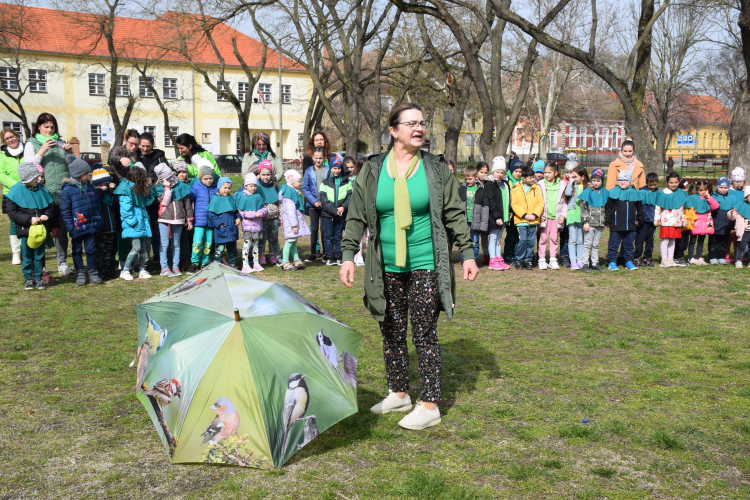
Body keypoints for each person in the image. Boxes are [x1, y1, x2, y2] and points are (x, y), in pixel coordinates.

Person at [340, 103, 477, 431]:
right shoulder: (372, 170)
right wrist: (347, 254)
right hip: (385, 263)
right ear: (393, 130)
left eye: (422, 123)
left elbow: (454, 212)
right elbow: (356, 213)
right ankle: (399, 393)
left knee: (424, 332)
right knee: (391, 329)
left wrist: (469, 252)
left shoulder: (435, 168)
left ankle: (429, 404)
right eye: (411, 123)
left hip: (426, 262)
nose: (419, 129)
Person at [24, 113, 74, 276]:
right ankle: (41, 265)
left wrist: (70, 152)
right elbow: (27, 167)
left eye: (52, 127)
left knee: (61, 230)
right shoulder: (32, 144)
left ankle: (62, 262)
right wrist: (43, 149)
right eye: (46, 126)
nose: (49, 130)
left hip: (62, 192)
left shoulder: (61, 142)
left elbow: (73, 166)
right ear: (38, 127)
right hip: (41, 194)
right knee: (42, 230)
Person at [5, 162, 55, 289]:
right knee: (26, 255)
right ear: (27, 178)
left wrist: (47, 215)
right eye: (35, 177)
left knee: (39, 255)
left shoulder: (41, 189)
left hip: (40, 230)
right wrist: (28, 219)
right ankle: (28, 278)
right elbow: (12, 212)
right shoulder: (15, 190)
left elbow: (50, 206)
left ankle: (38, 278)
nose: (39, 179)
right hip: (25, 230)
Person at [60, 155, 103, 286]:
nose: (88, 176)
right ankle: (80, 272)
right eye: (86, 174)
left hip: (90, 226)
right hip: (77, 227)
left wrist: (98, 220)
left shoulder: (90, 187)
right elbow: (65, 210)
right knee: (77, 250)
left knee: (91, 249)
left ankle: (92, 271)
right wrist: (70, 227)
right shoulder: (67, 190)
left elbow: (96, 205)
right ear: (78, 174)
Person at [115, 164, 154, 280]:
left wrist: (150, 187)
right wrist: (133, 222)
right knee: (136, 247)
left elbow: (146, 202)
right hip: (134, 223)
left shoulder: (137, 188)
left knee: (143, 248)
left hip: (142, 219)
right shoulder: (125, 189)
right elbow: (125, 209)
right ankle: (125, 270)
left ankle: (142, 270)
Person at [153, 164, 193, 277]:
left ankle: (175, 266)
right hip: (164, 219)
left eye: (171, 175)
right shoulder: (159, 188)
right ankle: (164, 268)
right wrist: (167, 189)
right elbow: (164, 202)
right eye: (168, 177)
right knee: (164, 244)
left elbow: (187, 205)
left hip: (178, 219)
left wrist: (189, 220)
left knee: (176, 244)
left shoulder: (181, 186)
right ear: (162, 179)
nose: (171, 178)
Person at [139, 132, 170, 264]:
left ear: (152, 144)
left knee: (157, 226)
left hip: (156, 196)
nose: (145, 149)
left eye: (148, 146)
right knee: (143, 226)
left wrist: (154, 180)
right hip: (141, 196)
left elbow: (167, 173)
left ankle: (158, 253)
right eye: (143, 146)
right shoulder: (136, 155)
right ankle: (143, 256)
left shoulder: (159, 156)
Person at [605, 170, 643, 271]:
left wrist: (639, 219)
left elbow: (639, 208)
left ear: (630, 181)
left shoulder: (635, 192)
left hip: (631, 225)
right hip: (616, 224)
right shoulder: (613, 191)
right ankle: (612, 262)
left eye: (625, 180)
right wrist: (608, 221)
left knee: (629, 245)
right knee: (613, 245)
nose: (622, 182)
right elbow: (608, 208)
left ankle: (629, 262)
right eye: (620, 179)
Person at [319, 155, 352, 266]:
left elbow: (349, 197)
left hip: (341, 214)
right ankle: (329, 256)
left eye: (338, 168)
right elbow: (323, 200)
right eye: (334, 168)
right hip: (328, 214)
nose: (336, 170)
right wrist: (333, 210)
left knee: (338, 236)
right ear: (330, 169)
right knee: (328, 236)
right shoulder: (324, 183)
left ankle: (338, 255)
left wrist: (343, 207)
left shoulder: (347, 182)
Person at [187, 162, 219, 274]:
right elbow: (188, 202)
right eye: (205, 178)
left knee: (208, 243)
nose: (209, 181)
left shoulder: (216, 188)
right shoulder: (196, 188)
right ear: (200, 178)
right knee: (197, 242)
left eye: (211, 178)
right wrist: (188, 217)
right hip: (199, 222)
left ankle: (205, 262)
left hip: (211, 222)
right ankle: (194, 263)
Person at [510, 166, 544, 270]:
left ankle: (528, 260)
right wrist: (524, 215)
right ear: (523, 178)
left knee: (531, 241)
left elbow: (540, 203)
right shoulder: (516, 189)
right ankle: (519, 260)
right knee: (523, 240)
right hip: (521, 220)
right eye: (529, 178)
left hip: (533, 220)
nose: (532, 179)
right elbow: (515, 204)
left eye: (532, 177)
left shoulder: (536, 188)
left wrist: (534, 215)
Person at [91, 167, 120, 281]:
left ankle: (108, 269)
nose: (106, 185)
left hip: (112, 226)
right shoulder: (94, 192)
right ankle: (100, 271)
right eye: (103, 183)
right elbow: (93, 202)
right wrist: (100, 191)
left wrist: (113, 191)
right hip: (101, 228)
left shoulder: (110, 194)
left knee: (109, 250)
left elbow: (117, 204)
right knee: (100, 251)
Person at [536, 162, 567, 270]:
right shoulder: (540, 184)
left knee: (554, 239)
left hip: (556, 218)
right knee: (543, 238)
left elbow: (565, 203)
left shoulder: (562, 185)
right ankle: (542, 259)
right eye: (545, 172)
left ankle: (553, 259)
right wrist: (539, 215)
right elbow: (537, 201)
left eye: (549, 172)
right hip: (545, 217)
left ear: (556, 173)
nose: (547, 174)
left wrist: (563, 215)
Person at [0, 128, 24, 265]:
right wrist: (17, 185)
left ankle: (26, 249)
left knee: (29, 220)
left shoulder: (26, 149)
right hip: (11, 193)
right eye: (7, 138)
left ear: (17, 136)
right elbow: (1, 174)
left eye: (12, 136)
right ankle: (16, 252)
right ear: (4, 141)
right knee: (14, 223)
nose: (11, 139)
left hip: (29, 190)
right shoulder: (2, 155)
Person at [302, 146, 330, 261]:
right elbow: (305, 188)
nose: (318, 160)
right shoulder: (309, 171)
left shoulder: (328, 171)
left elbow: (330, 187)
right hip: (313, 206)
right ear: (312, 157)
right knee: (314, 229)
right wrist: (314, 201)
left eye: (320, 158)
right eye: (316, 158)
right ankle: (313, 253)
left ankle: (326, 253)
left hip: (325, 205)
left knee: (324, 230)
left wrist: (325, 201)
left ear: (324, 158)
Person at [654, 172, 688, 267]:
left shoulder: (681, 193)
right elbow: (658, 207)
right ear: (667, 182)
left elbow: (682, 209)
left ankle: (670, 258)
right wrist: (657, 220)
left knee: (673, 241)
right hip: (665, 222)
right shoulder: (662, 193)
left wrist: (683, 220)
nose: (674, 184)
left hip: (676, 222)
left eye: (676, 182)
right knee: (665, 241)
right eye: (671, 182)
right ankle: (664, 259)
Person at [236, 172, 267, 273]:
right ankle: (245, 264)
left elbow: (264, 208)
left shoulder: (258, 196)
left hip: (257, 226)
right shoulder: (242, 196)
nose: (253, 188)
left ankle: (256, 263)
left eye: (255, 186)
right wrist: (254, 214)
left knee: (256, 246)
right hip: (248, 227)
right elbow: (241, 211)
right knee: (247, 246)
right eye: (251, 186)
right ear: (246, 186)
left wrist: (261, 212)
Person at [280, 169, 310, 271]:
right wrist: (294, 225)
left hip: (293, 223)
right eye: (299, 181)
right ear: (292, 181)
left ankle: (296, 259)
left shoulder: (293, 191)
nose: (300, 183)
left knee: (293, 241)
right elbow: (290, 211)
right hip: (291, 223)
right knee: (289, 241)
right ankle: (285, 262)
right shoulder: (289, 195)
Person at [207, 177, 241, 268]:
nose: (227, 190)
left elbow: (235, 212)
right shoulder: (215, 199)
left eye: (229, 188)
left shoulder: (231, 198)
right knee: (219, 251)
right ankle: (217, 266)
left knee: (232, 250)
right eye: (225, 188)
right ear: (219, 187)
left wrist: (238, 218)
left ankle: (232, 265)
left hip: (232, 230)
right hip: (221, 232)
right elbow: (212, 216)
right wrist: (221, 225)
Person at [579, 168, 608, 272]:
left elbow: (606, 208)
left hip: (600, 223)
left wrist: (605, 221)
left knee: (596, 244)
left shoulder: (604, 192)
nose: (596, 183)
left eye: (598, 180)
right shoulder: (587, 191)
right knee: (587, 244)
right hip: (590, 223)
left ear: (602, 181)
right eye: (594, 180)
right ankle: (585, 264)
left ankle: (595, 263)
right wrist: (585, 222)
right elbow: (583, 208)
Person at [685, 180, 719, 265]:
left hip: (705, 223)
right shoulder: (693, 198)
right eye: (700, 190)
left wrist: (709, 197)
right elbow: (688, 207)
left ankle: (699, 257)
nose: (703, 192)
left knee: (701, 242)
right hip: (696, 222)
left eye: (705, 190)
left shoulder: (709, 198)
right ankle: (691, 257)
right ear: (697, 190)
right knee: (692, 241)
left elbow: (715, 206)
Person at [256, 161, 283, 265]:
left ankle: (275, 256)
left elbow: (280, 203)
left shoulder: (275, 186)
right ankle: (261, 256)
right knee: (262, 238)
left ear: (272, 175)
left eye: (268, 174)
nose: (266, 177)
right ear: (259, 174)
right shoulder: (256, 186)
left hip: (274, 219)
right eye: (263, 175)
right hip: (262, 219)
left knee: (274, 238)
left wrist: (281, 218)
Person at [487, 157, 511, 270]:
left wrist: (509, 211)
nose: (500, 174)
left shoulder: (505, 183)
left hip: (504, 216)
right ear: (493, 171)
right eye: (497, 172)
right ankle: (492, 260)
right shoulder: (490, 184)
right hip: (495, 217)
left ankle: (498, 258)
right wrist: (497, 216)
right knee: (493, 238)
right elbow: (492, 201)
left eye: (502, 172)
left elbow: (508, 198)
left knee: (499, 239)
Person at [564, 165, 588, 270]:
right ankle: (573, 261)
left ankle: (580, 260)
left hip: (582, 216)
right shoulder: (572, 186)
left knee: (580, 240)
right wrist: (570, 182)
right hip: (572, 215)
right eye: (572, 176)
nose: (573, 178)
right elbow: (567, 193)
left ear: (583, 177)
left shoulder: (587, 187)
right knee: (572, 240)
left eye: (575, 176)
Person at [634, 172, 659, 267]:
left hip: (653, 222)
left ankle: (647, 257)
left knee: (650, 241)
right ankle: (636, 258)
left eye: (655, 184)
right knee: (639, 240)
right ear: (646, 183)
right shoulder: (641, 192)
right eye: (650, 184)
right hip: (643, 221)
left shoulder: (658, 193)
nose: (653, 186)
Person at [458, 165, 482, 261]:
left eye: (470, 179)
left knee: (475, 242)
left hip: (475, 220)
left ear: (476, 177)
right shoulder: (462, 190)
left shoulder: (480, 189)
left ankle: (474, 260)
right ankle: (465, 260)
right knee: (465, 241)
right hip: (465, 219)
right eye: (466, 179)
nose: (468, 181)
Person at [503, 161, 523, 265]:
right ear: (511, 171)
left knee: (517, 235)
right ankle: (507, 255)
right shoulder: (507, 180)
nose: (518, 174)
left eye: (520, 171)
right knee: (510, 235)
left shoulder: (523, 181)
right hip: (510, 212)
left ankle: (515, 255)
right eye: (516, 171)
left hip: (520, 212)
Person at [709, 177, 733, 265]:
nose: (723, 189)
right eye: (721, 187)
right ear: (717, 187)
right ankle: (713, 256)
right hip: (716, 221)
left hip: (726, 223)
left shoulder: (730, 197)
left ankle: (721, 256)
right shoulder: (713, 196)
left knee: (723, 240)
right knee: (714, 240)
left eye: (725, 188)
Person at [726, 167, 746, 263]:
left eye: (740, 181)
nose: (738, 183)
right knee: (730, 236)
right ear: (732, 181)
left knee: (739, 236)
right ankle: (727, 254)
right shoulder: (729, 191)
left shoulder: (745, 192)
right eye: (736, 181)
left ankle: (738, 255)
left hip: (741, 217)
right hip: (730, 215)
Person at [729, 187, 750, 267]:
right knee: (742, 246)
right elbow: (733, 216)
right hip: (744, 230)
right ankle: (738, 260)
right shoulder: (741, 205)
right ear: (746, 197)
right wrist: (731, 213)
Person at [674, 178, 692, 266]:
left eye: (686, 188)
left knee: (685, 242)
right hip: (680, 223)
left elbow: (690, 208)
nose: (686, 190)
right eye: (684, 188)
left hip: (687, 223)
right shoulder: (678, 197)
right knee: (679, 242)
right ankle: (677, 257)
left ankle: (681, 256)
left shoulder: (687, 197)